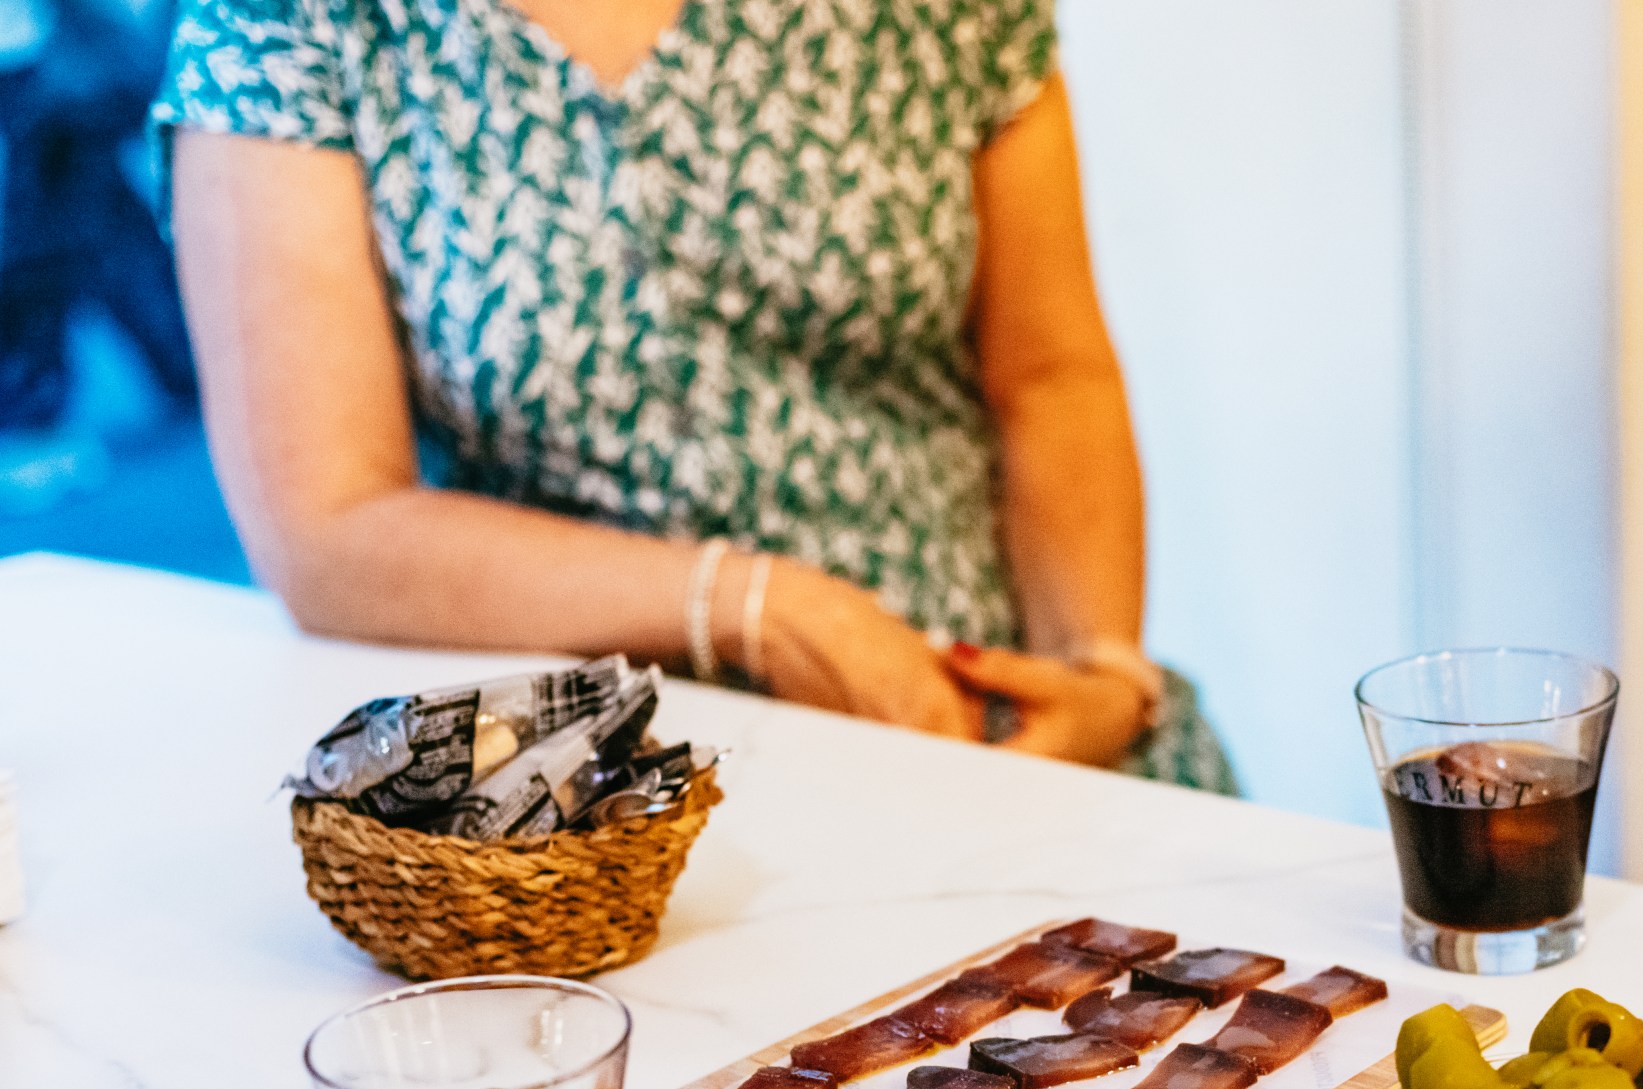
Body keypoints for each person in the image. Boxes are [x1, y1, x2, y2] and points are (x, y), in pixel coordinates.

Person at [153, 0, 1233, 790]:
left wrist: (1097, 670)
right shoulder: (295, 28)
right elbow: (329, 529)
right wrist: (752, 606)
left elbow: (1049, 377)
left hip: (971, 721)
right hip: (586, 795)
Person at [0, 0, 197, 510]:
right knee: (37, 250)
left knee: (67, 234)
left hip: (45, 61)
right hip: (35, 67)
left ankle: (190, 362)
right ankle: (29, 420)